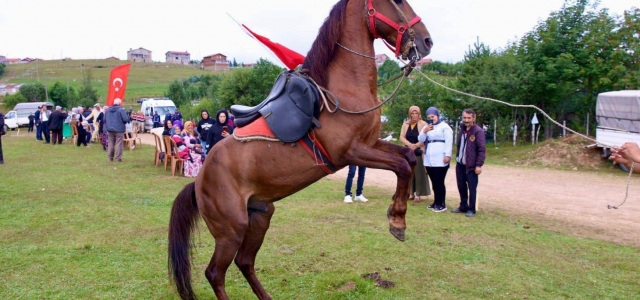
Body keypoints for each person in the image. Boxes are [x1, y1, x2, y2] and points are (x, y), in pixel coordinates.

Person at [418, 106, 453, 212]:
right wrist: (425, 131)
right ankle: (436, 202)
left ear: (437, 116)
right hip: (429, 159)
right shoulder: (426, 127)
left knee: (439, 181)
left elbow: (449, 141)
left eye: (432, 116)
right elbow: (420, 139)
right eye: (428, 117)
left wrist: (448, 155)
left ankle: (441, 203)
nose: (431, 118)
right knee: (434, 182)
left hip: (440, 158)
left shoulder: (444, 127)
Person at [453, 109, 486, 217]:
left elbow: (481, 149)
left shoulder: (478, 131)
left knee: (472, 188)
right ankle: (463, 206)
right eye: (464, 118)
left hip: (471, 166)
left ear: (473, 118)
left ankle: (471, 208)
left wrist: (478, 165)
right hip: (460, 164)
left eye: (468, 118)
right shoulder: (461, 129)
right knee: (461, 186)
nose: (466, 120)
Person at [400, 106, 431, 204]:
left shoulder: (423, 124)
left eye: (416, 113)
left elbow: (426, 137)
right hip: (408, 151)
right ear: (409, 114)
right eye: (412, 113)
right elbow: (401, 136)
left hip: (418, 152)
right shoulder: (406, 124)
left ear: (419, 114)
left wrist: (416, 145)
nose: (414, 115)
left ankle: (418, 194)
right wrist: (409, 145)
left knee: (419, 173)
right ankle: (411, 193)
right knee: (410, 173)